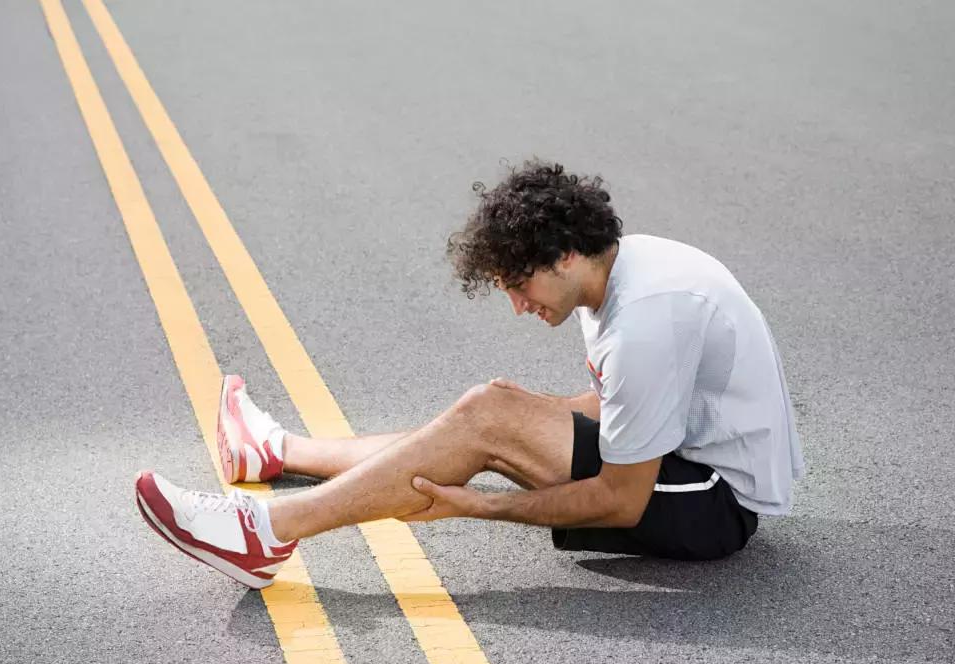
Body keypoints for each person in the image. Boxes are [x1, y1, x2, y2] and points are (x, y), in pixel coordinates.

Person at [134, 159, 805, 589]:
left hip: (715, 506)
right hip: (683, 462)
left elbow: (622, 500)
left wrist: (481, 503)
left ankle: (267, 533)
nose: (517, 305)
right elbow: (615, 406)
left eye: (518, 285)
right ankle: (277, 450)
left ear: (565, 255)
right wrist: (514, 421)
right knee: (489, 414)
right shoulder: (622, 274)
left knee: (489, 419)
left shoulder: (647, 319)